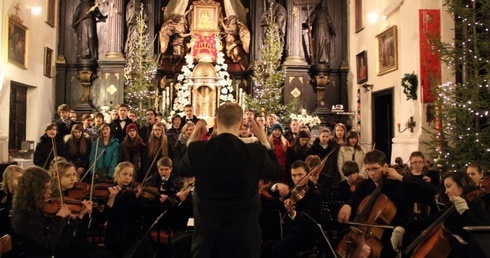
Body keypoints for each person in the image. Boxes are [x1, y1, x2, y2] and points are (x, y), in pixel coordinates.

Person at [179, 102, 281, 258]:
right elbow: (274, 171)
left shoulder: (198, 149)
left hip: (208, 240)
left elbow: (182, 169)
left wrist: (193, 137)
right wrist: (265, 141)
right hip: (243, 240)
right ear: (241, 124)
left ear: (216, 122)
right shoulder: (255, 151)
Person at [337, 149, 439, 258]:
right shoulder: (365, 185)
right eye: (368, 169)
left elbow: (432, 190)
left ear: (385, 166)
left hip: (399, 234)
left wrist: (400, 177)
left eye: (375, 169)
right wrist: (347, 205)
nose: (371, 173)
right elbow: (353, 200)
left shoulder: (400, 186)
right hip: (371, 235)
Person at [390, 171, 490, 257]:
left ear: (462, 185)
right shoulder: (452, 208)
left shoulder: (476, 205)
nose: (446, 191)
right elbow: (428, 221)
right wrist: (402, 228)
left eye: (449, 186)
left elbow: (482, 231)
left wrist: (464, 211)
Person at [10, 166, 98, 258]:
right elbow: (50, 244)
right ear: (35, 190)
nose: (50, 191)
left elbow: (63, 243)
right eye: (46, 188)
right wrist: (59, 218)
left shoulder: (40, 208)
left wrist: (78, 216)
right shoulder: (22, 217)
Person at [262, 160, 323, 258]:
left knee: (278, 249)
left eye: (300, 174)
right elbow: (272, 196)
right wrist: (276, 186)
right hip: (288, 232)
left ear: (308, 174)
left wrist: (292, 212)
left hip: (304, 235)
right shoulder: (290, 187)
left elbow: (308, 219)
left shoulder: (315, 194)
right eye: (293, 175)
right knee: (266, 246)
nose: (297, 179)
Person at [104, 162, 152, 257]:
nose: (128, 177)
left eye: (130, 175)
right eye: (124, 174)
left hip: (130, 228)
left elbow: (139, 213)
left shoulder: (132, 192)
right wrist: (115, 197)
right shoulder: (111, 190)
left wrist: (138, 199)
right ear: (117, 175)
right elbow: (110, 212)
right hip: (115, 229)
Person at [310, 0, 335, 64]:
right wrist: (309, 23)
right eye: (322, 3)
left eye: (324, 3)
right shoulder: (316, 12)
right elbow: (310, 21)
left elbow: (330, 23)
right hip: (317, 30)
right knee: (317, 44)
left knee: (325, 44)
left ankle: (324, 59)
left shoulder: (326, 13)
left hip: (325, 31)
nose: (322, 4)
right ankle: (316, 60)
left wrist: (333, 30)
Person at [0, 165, 23, 236]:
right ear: (9, 180)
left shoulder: (24, 193)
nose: (21, 182)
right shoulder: (2, 194)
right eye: (18, 179)